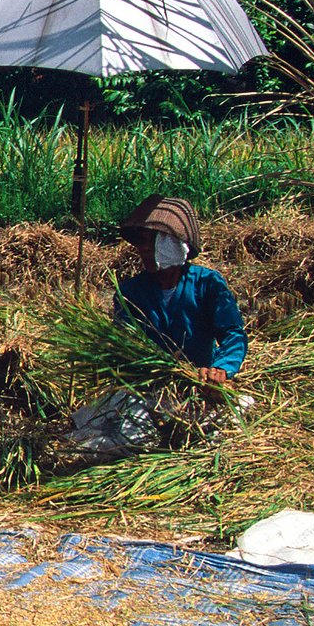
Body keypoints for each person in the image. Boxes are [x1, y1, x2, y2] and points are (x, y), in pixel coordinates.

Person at [70, 195, 247, 455]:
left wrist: (220, 368)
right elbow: (125, 344)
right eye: (140, 242)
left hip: (195, 388)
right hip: (148, 391)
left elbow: (233, 334)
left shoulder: (208, 284)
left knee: (232, 424)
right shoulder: (130, 292)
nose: (141, 249)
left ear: (174, 244)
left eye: (149, 241)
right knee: (131, 438)